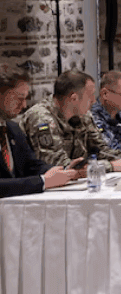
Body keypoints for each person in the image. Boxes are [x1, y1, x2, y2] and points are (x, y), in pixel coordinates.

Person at [19, 70, 121, 172]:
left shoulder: (84, 115)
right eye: (90, 96)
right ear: (74, 98)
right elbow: (59, 165)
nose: (94, 101)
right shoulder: (41, 117)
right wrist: (112, 166)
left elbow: (101, 150)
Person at [0, 65, 77, 198]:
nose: (24, 105)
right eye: (19, 98)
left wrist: (65, 170)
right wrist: (42, 181)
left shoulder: (12, 128)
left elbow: (31, 165)